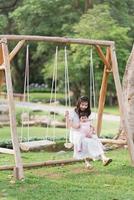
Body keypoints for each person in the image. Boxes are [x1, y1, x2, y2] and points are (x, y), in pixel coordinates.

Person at [65, 96, 112, 169]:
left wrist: (91, 130)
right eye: (82, 104)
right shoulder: (72, 112)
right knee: (84, 142)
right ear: (79, 104)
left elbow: (90, 124)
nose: (84, 106)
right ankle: (87, 163)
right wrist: (67, 117)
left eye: (86, 105)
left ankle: (104, 158)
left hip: (86, 131)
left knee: (95, 138)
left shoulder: (87, 112)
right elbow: (69, 126)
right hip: (76, 133)